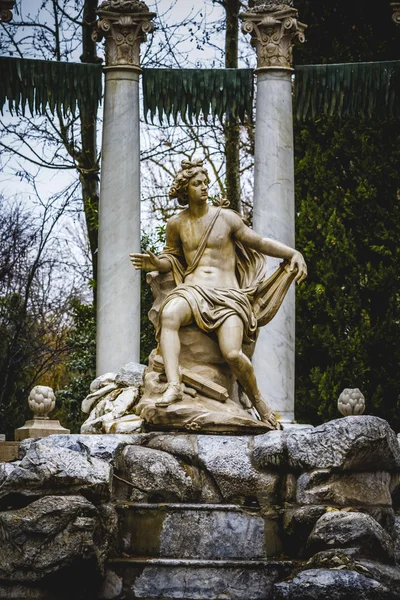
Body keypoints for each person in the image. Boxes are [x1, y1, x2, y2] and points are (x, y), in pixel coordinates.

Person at [130, 159, 307, 428]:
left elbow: (259, 242)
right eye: (197, 184)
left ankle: (258, 401)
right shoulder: (176, 224)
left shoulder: (226, 218)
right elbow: (173, 259)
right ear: (185, 189)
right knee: (169, 315)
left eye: (205, 183)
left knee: (232, 352)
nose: (203, 188)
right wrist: (157, 264)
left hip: (228, 295)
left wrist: (292, 252)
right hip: (194, 290)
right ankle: (175, 384)